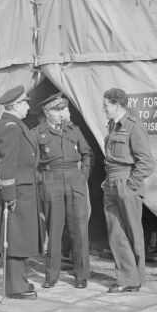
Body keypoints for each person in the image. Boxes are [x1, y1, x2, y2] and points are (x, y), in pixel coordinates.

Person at [33, 93, 94, 289]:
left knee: (79, 230)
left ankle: (81, 275)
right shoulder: (37, 133)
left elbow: (87, 154)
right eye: (57, 110)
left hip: (74, 181)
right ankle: (51, 275)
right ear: (47, 113)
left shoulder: (74, 130)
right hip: (51, 182)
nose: (61, 114)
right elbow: (31, 164)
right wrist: (42, 181)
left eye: (63, 110)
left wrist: (82, 176)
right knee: (55, 231)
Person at [0, 85, 44, 299]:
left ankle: (19, 282)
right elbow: (7, 163)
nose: (28, 106)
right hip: (17, 192)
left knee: (20, 239)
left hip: (24, 190)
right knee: (15, 239)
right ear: (14, 105)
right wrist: (9, 195)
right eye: (25, 102)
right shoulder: (11, 126)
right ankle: (15, 287)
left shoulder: (15, 124)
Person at [102, 88, 155, 292]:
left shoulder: (133, 126)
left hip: (126, 184)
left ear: (117, 105)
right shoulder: (112, 126)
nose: (103, 108)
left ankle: (135, 279)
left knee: (133, 232)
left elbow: (147, 163)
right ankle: (127, 279)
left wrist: (130, 186)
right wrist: (109, 181)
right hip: (112, 183)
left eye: (106, 105)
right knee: (116, 233)